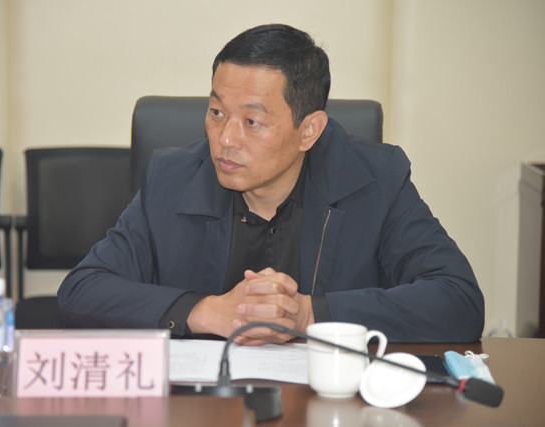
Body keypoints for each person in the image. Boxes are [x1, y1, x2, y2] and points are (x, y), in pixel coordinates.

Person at [57, 24, 484, 344]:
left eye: (252, 121)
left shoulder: (376, 180)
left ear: (309, 130)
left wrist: (309, 316)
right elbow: (81, 290)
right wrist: (206, 312)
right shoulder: (171, 178)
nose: (225, 139)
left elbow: (458, 300)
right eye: (217, 112)